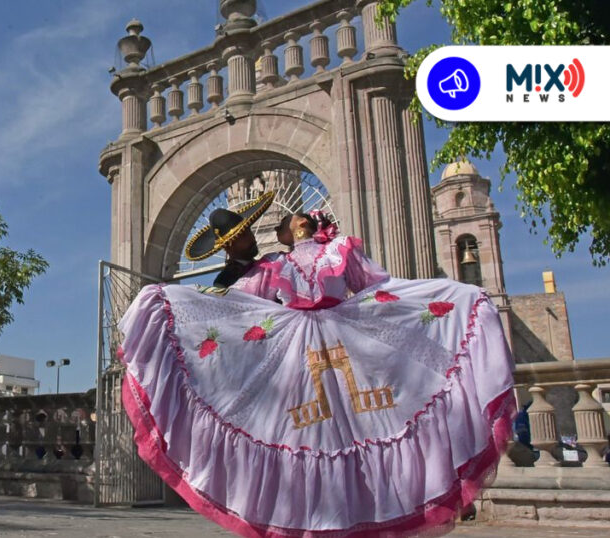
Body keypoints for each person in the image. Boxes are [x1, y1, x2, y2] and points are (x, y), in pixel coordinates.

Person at [118, 205, 516, 538]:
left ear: (304, 225)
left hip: (336, 343)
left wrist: (406, 307)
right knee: (312, 439)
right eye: (246, 234)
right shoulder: (262, 270)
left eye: (277, 225)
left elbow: (377, 288)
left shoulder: (300, 257)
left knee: (352, 433)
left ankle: (356, 512)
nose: (263, 233)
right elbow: (241, 314)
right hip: (293, 358)